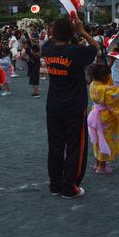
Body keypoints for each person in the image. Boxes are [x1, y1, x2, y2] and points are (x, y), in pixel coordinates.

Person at [42, 17, 99, 199]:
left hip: (53, 105)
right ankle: (70, 187)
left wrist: (67, 31)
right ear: (71, 32)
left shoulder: (47, 48)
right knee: (76, 146)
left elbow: (52, 39)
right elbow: (96, 48)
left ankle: (55, 184)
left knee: (55, 145)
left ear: (53, 32)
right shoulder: (76, 51)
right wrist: (81, 31)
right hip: (74, 105)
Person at [87, 64, 119, 174]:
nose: (109, 77)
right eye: (108, 75)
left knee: (98, 139)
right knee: (106, 140)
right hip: (105, 117)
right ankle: (101, 167)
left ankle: (97, 163)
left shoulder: (93, 84)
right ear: (104, 76)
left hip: (95, 113)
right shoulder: (106, 89)